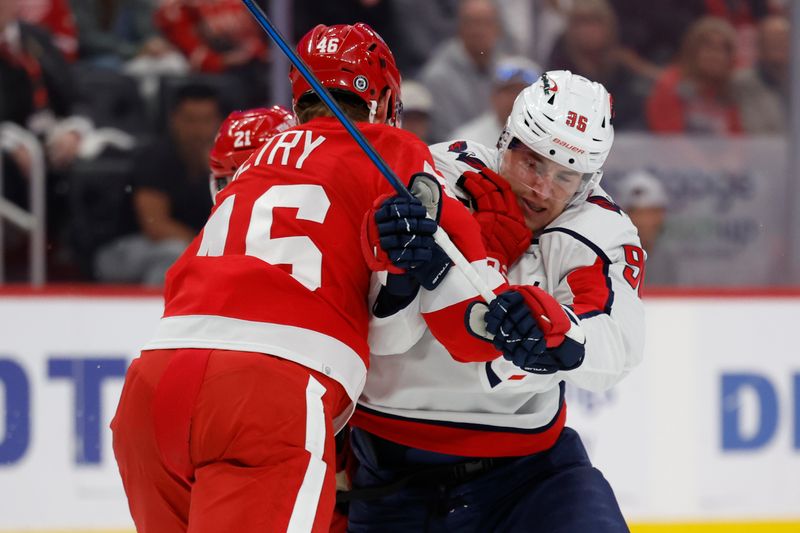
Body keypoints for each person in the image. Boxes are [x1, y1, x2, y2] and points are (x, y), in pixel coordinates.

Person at [111, 22, 506, 533]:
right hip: (268, 392)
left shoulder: (254, 163)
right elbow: (473, 312)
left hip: (152, 386)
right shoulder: (391, 150)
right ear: (385, 100)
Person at [347, 70, 645, 532]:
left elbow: (617, 341)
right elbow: (375, 323)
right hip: (392, 480)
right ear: (506, 140)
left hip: (527, 477)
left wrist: (561, 336)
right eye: (533, 163)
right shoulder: (438, 172)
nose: (542, 189)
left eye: (565, 175)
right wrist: (404, 275)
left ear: (588, 181)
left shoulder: (598, 228)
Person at [93, 82, 223, 285]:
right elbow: (156, 226)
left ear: (217, 121)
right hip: (123, 250)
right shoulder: (154, 158)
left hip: (190, 245)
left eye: (206, 120)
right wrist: (210, 248)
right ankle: (160, 312)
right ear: (174, 119)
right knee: (174, 253)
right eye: (191, 120)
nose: (199, 130)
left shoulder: (222, 163)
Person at [450, 56, 539, 146]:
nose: (515, 98)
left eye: (523, 92)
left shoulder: (548, 141)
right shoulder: (466, 141)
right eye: (509, 91)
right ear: (493, 96)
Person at [616, 169, 674, 286]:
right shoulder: (607, 259)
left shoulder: (673, 259)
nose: (644, 221)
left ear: (662, 215)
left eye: (651, 212)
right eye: (636, 213)